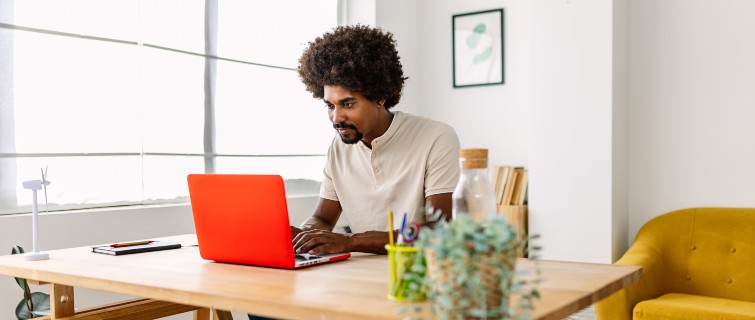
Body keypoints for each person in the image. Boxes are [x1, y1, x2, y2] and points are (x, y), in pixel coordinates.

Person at [291, 25, 461, 255]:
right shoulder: (338, 148)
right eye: (330, 106)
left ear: (380, 97)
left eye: (347, 104)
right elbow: (322, 217)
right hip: (361, 274)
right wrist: (305, 236)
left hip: (419, 273)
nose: (336, 117)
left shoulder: (436, 137)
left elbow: (439, 230)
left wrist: (350, 242)